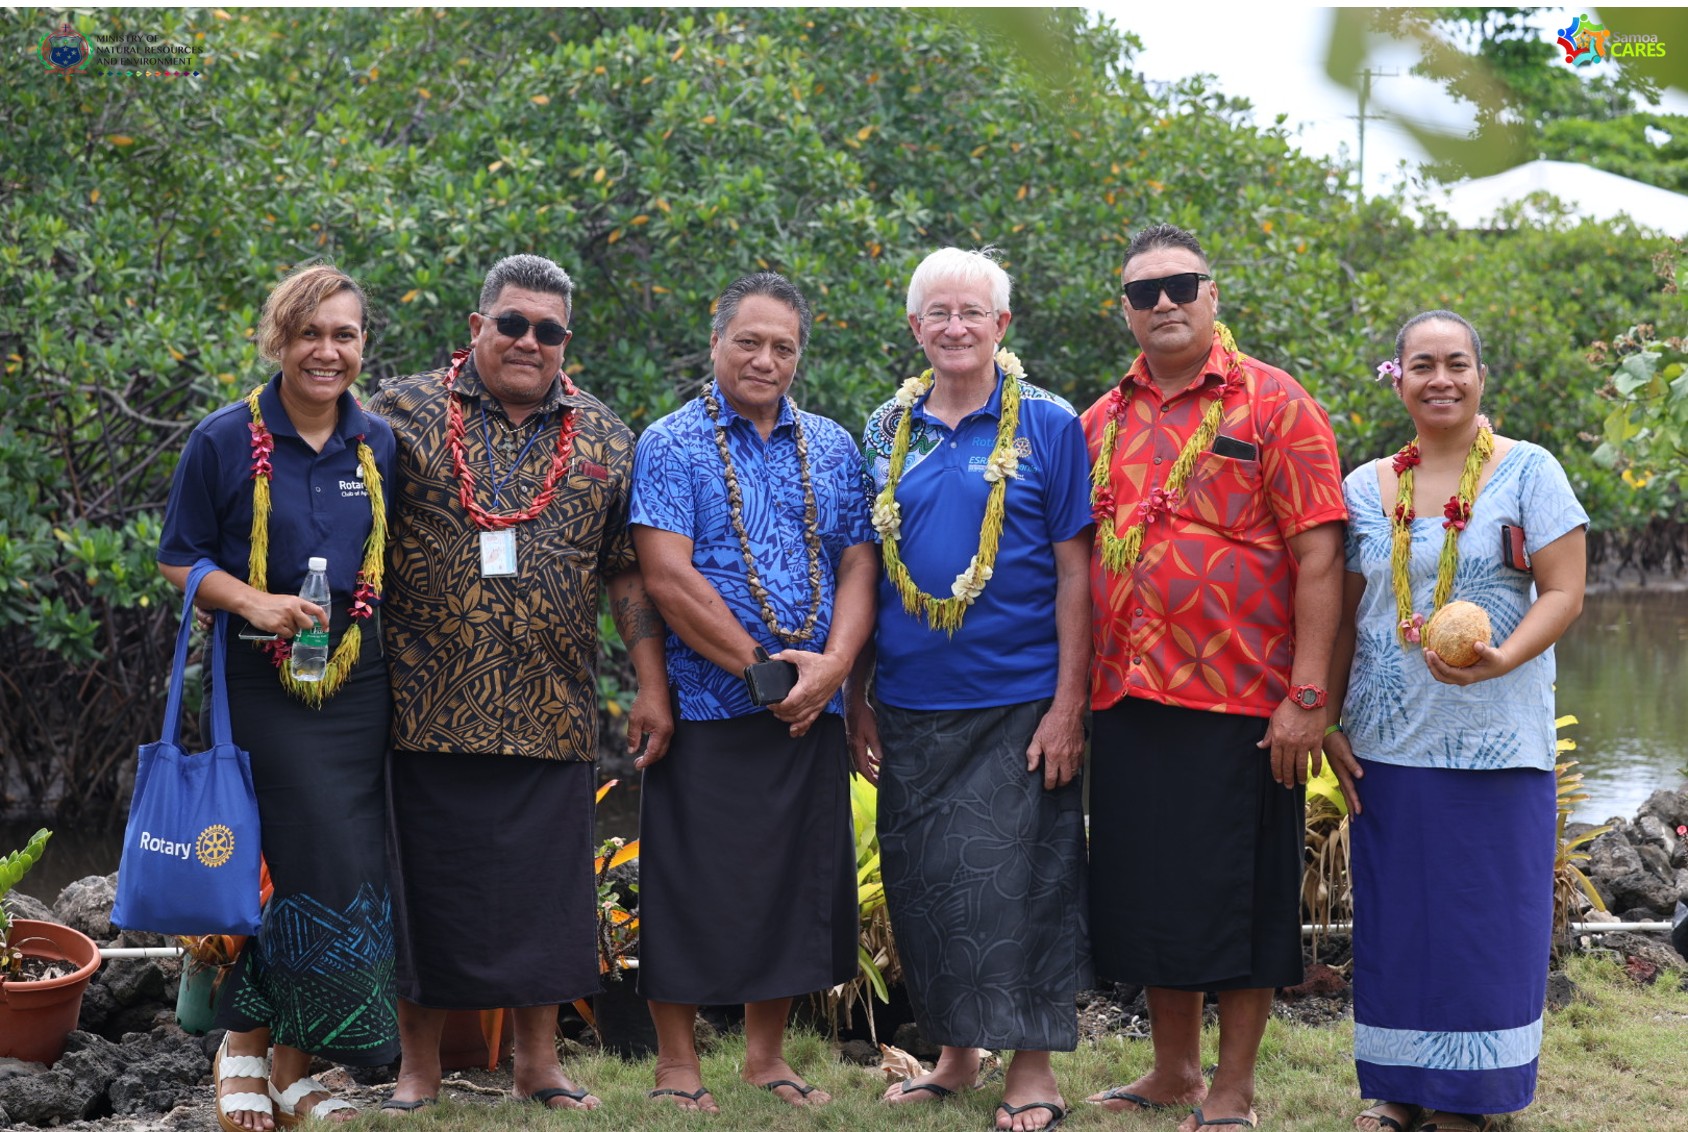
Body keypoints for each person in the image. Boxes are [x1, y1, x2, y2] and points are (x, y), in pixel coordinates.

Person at [368, 254, 672, 1114]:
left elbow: (626, 575)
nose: (528, 341)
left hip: (552, 707)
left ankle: (539, 1067)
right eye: (512, 323)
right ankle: (418, 1070)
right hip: (425, 703)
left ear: (565, 340)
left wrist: (650, 686)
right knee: (427, 893)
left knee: (547, 903)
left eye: (547, 329)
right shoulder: (399, 414)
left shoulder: (608, 437)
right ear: (478, 327)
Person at [1082, 224, 1347, 1132]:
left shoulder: (1275, 404)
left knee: (1241, 897)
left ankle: (1232, 1090)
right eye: (1144, 292)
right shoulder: (1101, 420)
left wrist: (1307, 695)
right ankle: (1172, 1071)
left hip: (1241, 698)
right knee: (1151, 888)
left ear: (1212, 293)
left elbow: (1319, 556)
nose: (1164, 303)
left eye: (1180, 285)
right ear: (1124, 310)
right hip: (1125, 691)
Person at [848, 247, 1093, 1132]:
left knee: (1025, 880)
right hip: (913, 697)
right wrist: (856, 693)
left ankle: (1033, 1072)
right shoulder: (887, 426)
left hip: (1021, 696)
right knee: (927, 881)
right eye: (938, 314)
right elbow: (868, 569)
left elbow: (1076, 573)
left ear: (1003, 326)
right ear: (915, 328)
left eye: (972, 313)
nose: (955, 327)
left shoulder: (1051, 424)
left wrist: (1070, 706)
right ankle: (956, 1052)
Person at [1325, 311, 1587, 1132]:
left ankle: (1472, 1100)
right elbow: (1343, 614)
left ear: (1480, 377)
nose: (1441, 378)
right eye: (1423, 364)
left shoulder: (1528, 472)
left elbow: (1565, 591)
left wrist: (1504, 656)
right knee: (1400, 917)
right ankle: (1398, 1092)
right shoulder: (1365, 488)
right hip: (1386, 740)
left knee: (1485, 920)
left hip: (1499, 739)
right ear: (1395, 377)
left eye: (1458, 364)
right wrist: (1327, 719)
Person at [157, 264, 399, 1131]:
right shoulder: (226, 439)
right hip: (261, 682)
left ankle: (293, 1066)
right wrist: (254, 600)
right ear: (279, 340)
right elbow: (179, 557)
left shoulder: (379, 446)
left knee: (352, 867)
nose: (327, 351)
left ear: (363, 345)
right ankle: (244, 1050)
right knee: (304, 864)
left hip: (358, 683)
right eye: (310, 334)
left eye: (344, 334)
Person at [629, 272, 875, 1113]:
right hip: (709, 702)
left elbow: (857, 562)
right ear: (716, 342)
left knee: (793, 881)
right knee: (688, 878)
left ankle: (767, 1058)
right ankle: (676, 1064)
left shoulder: (835, 447)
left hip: (812, 708)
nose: (765, 359)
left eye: (782, 346)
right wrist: (764, 674)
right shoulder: (670, 443)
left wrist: (834, 669)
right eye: (750, 342)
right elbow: (666, 575)